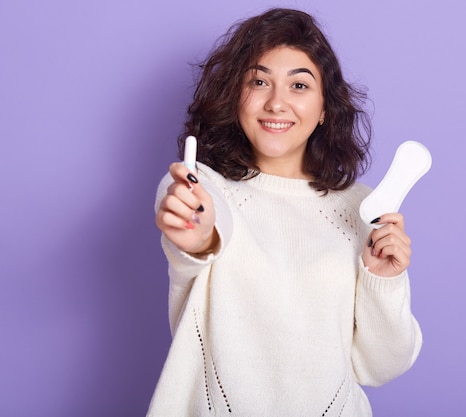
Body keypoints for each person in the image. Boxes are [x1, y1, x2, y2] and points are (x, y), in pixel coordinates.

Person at [148, 8, 422, 416]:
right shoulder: (202, 186)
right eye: (259, 82)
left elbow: (380, 366)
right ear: (234, 96)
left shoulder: (360, 208)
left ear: (325, 107)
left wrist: (384, 282)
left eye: (299, 85)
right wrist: (199, 236)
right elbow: (203, 223)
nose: (277, 103)